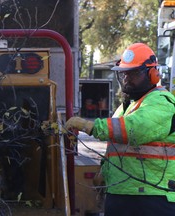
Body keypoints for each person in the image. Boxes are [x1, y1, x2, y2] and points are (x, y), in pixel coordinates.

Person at [65, 43, 175, 216]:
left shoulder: (161, 102)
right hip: (122, 193)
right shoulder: (126, 107)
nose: (126, 79)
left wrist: (91, 126)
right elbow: (117, 146)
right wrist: (104, 171)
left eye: (134, 73)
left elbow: (134, 129)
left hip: (153, 196)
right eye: (124, 73)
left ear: (152, 74)